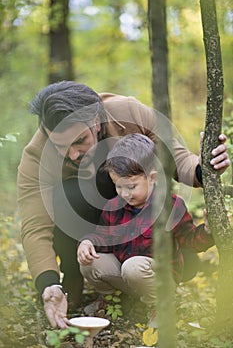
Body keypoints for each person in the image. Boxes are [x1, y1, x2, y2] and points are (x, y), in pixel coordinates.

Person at [17, 80, 229, 329]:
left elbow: (176, 158)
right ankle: (74, 279)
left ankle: (155, 277)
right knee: (69, 194)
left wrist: (205, 168)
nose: (72, 154)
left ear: (95, 121)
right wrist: (49, 283)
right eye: (61, 146)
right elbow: (34, 225)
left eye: (79, 141)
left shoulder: (128, 112)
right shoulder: (36, 154)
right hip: (101, 224)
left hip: (149, 223)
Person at [77, 133, 215, 327]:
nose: (124, 193)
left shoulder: (170, 206)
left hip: (155, 277)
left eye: (131, 186)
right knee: (89, 262)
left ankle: (160, 306)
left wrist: (208, 231)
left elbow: (190, 240)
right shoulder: (114, 206)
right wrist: (88, 241)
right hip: (126, 274)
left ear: (152, 177)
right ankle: (112, 300)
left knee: (133, 267)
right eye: (118, 186)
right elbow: (104, 239)